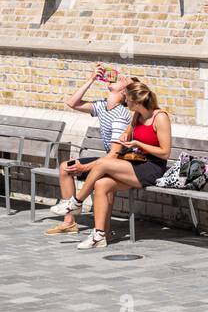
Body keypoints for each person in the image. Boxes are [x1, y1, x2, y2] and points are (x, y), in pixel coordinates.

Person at [49, 80, 172, 250]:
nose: (125, 102)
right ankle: (100, 235)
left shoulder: (160, 117)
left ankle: (76, 202)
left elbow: (165, 152)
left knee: (103, 164)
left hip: (152, 168)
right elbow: (128, 132)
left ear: (136, 102)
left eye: (127, 99)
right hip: (135, 162)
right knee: (101, 184)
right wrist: (125, 135)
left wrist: (140, 144)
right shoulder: (136, 115)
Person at [44, 65, 135, 236]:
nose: (120, 77)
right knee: (65, 167)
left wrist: (86, 167)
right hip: (108, 158)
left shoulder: (121, 116)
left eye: (123, 80)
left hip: (120, 162)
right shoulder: (102, 106)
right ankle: (69, 222)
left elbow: (115, 154)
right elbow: (72, 103)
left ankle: (104, 230)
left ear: (124, 93)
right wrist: (92, 79)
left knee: (104, 180)